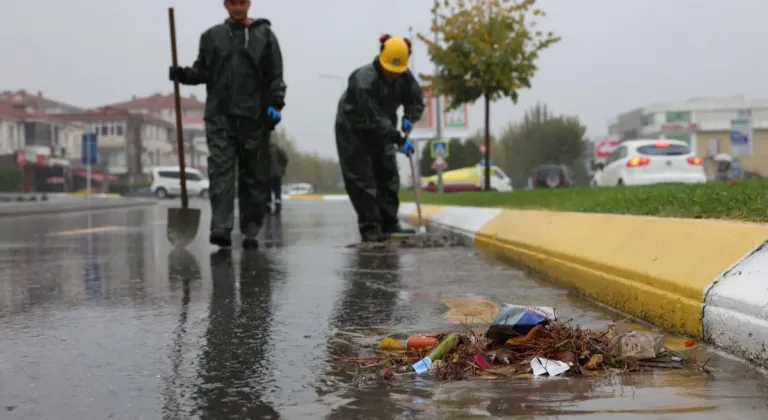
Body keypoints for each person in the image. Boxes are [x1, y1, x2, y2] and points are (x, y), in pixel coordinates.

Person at [169, 0, 286, 249]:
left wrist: (276, 104)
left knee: (254, 176)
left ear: (249, 3)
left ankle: (251, 228)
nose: (238, 7)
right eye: (233, 2)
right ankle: (220, 227)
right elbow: (203, 72)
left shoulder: (265, 36)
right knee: (220, 171)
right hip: (220, 116)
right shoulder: (212, 37)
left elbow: (275, 74)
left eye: (242, 2)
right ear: (225, 5)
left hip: (255, 118)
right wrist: (183, 75)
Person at [334, 34, 425, 243]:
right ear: (381, 59)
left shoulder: (404, 76)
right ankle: (370, 228)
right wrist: (398, 138)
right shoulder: (362, 80)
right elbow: (372, 117)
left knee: (388, 175)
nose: (393, 75)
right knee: (362, 180)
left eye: (397, 72)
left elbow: (415, 100)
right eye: (389, 71)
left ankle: (389, 223)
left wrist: (410, 117)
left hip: (384, 129)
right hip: (353, 131)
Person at [268, 142, 288, 215]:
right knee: (277, 190)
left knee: (267, 190)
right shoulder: (277, 148)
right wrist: (282, 167)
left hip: (267, 173)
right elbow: (285, 158)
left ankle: (268, 208)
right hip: (277, 173)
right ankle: (278, 207)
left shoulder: (263, 149)